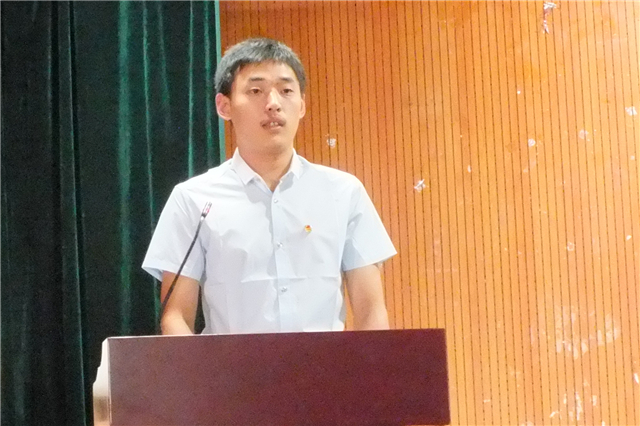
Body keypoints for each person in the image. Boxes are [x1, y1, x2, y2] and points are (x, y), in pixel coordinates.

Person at [142, 38, 396, 335]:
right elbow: (176, 317)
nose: (273, 103)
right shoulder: (194, 199)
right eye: (256, 91)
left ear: (302, 105)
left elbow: (371, 312)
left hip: (325, 366)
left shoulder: (344, 193)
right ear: (224, 106)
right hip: (230, 366)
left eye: (286, 91)